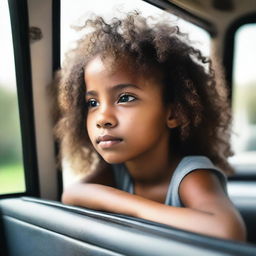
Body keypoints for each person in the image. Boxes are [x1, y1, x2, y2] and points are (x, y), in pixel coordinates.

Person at [54, 12, 246, 241]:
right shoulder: (117, 171)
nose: (102, 118)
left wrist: (136, 209)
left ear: (174, 113)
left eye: (125, 98)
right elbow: (73, 194)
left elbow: (228, 230)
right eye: (92, 103)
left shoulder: (192, 175)